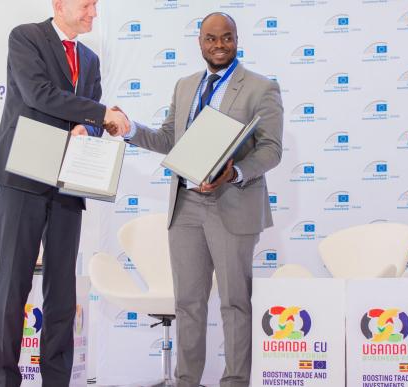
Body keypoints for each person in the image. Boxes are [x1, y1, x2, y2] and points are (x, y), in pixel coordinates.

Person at [109, 12, 283, 387]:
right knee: (188, 303)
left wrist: (234, 172)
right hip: (185, 205)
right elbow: (170, 139)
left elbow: (271, 150)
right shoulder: (185, 85)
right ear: (199, 42)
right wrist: (131, 128)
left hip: (232, 202)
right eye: (210, 39)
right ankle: (187, 380)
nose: (219, 45)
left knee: (235, 303)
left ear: (237, 39)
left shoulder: (260, 87)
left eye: (226, 38)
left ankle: (235, 381)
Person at [0, 0, 128, 386]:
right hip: (24, 178)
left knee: (62, 289)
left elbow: (92, 113)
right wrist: (99, 117)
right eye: (86, 5)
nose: (93, 13)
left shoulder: (92, 59)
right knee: (13, 284)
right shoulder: (26, 37)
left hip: (68, 181)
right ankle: (6, 379)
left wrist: (91, 128)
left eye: (96, 7)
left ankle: (57, 380)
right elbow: (38, 94)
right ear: (59, 4)